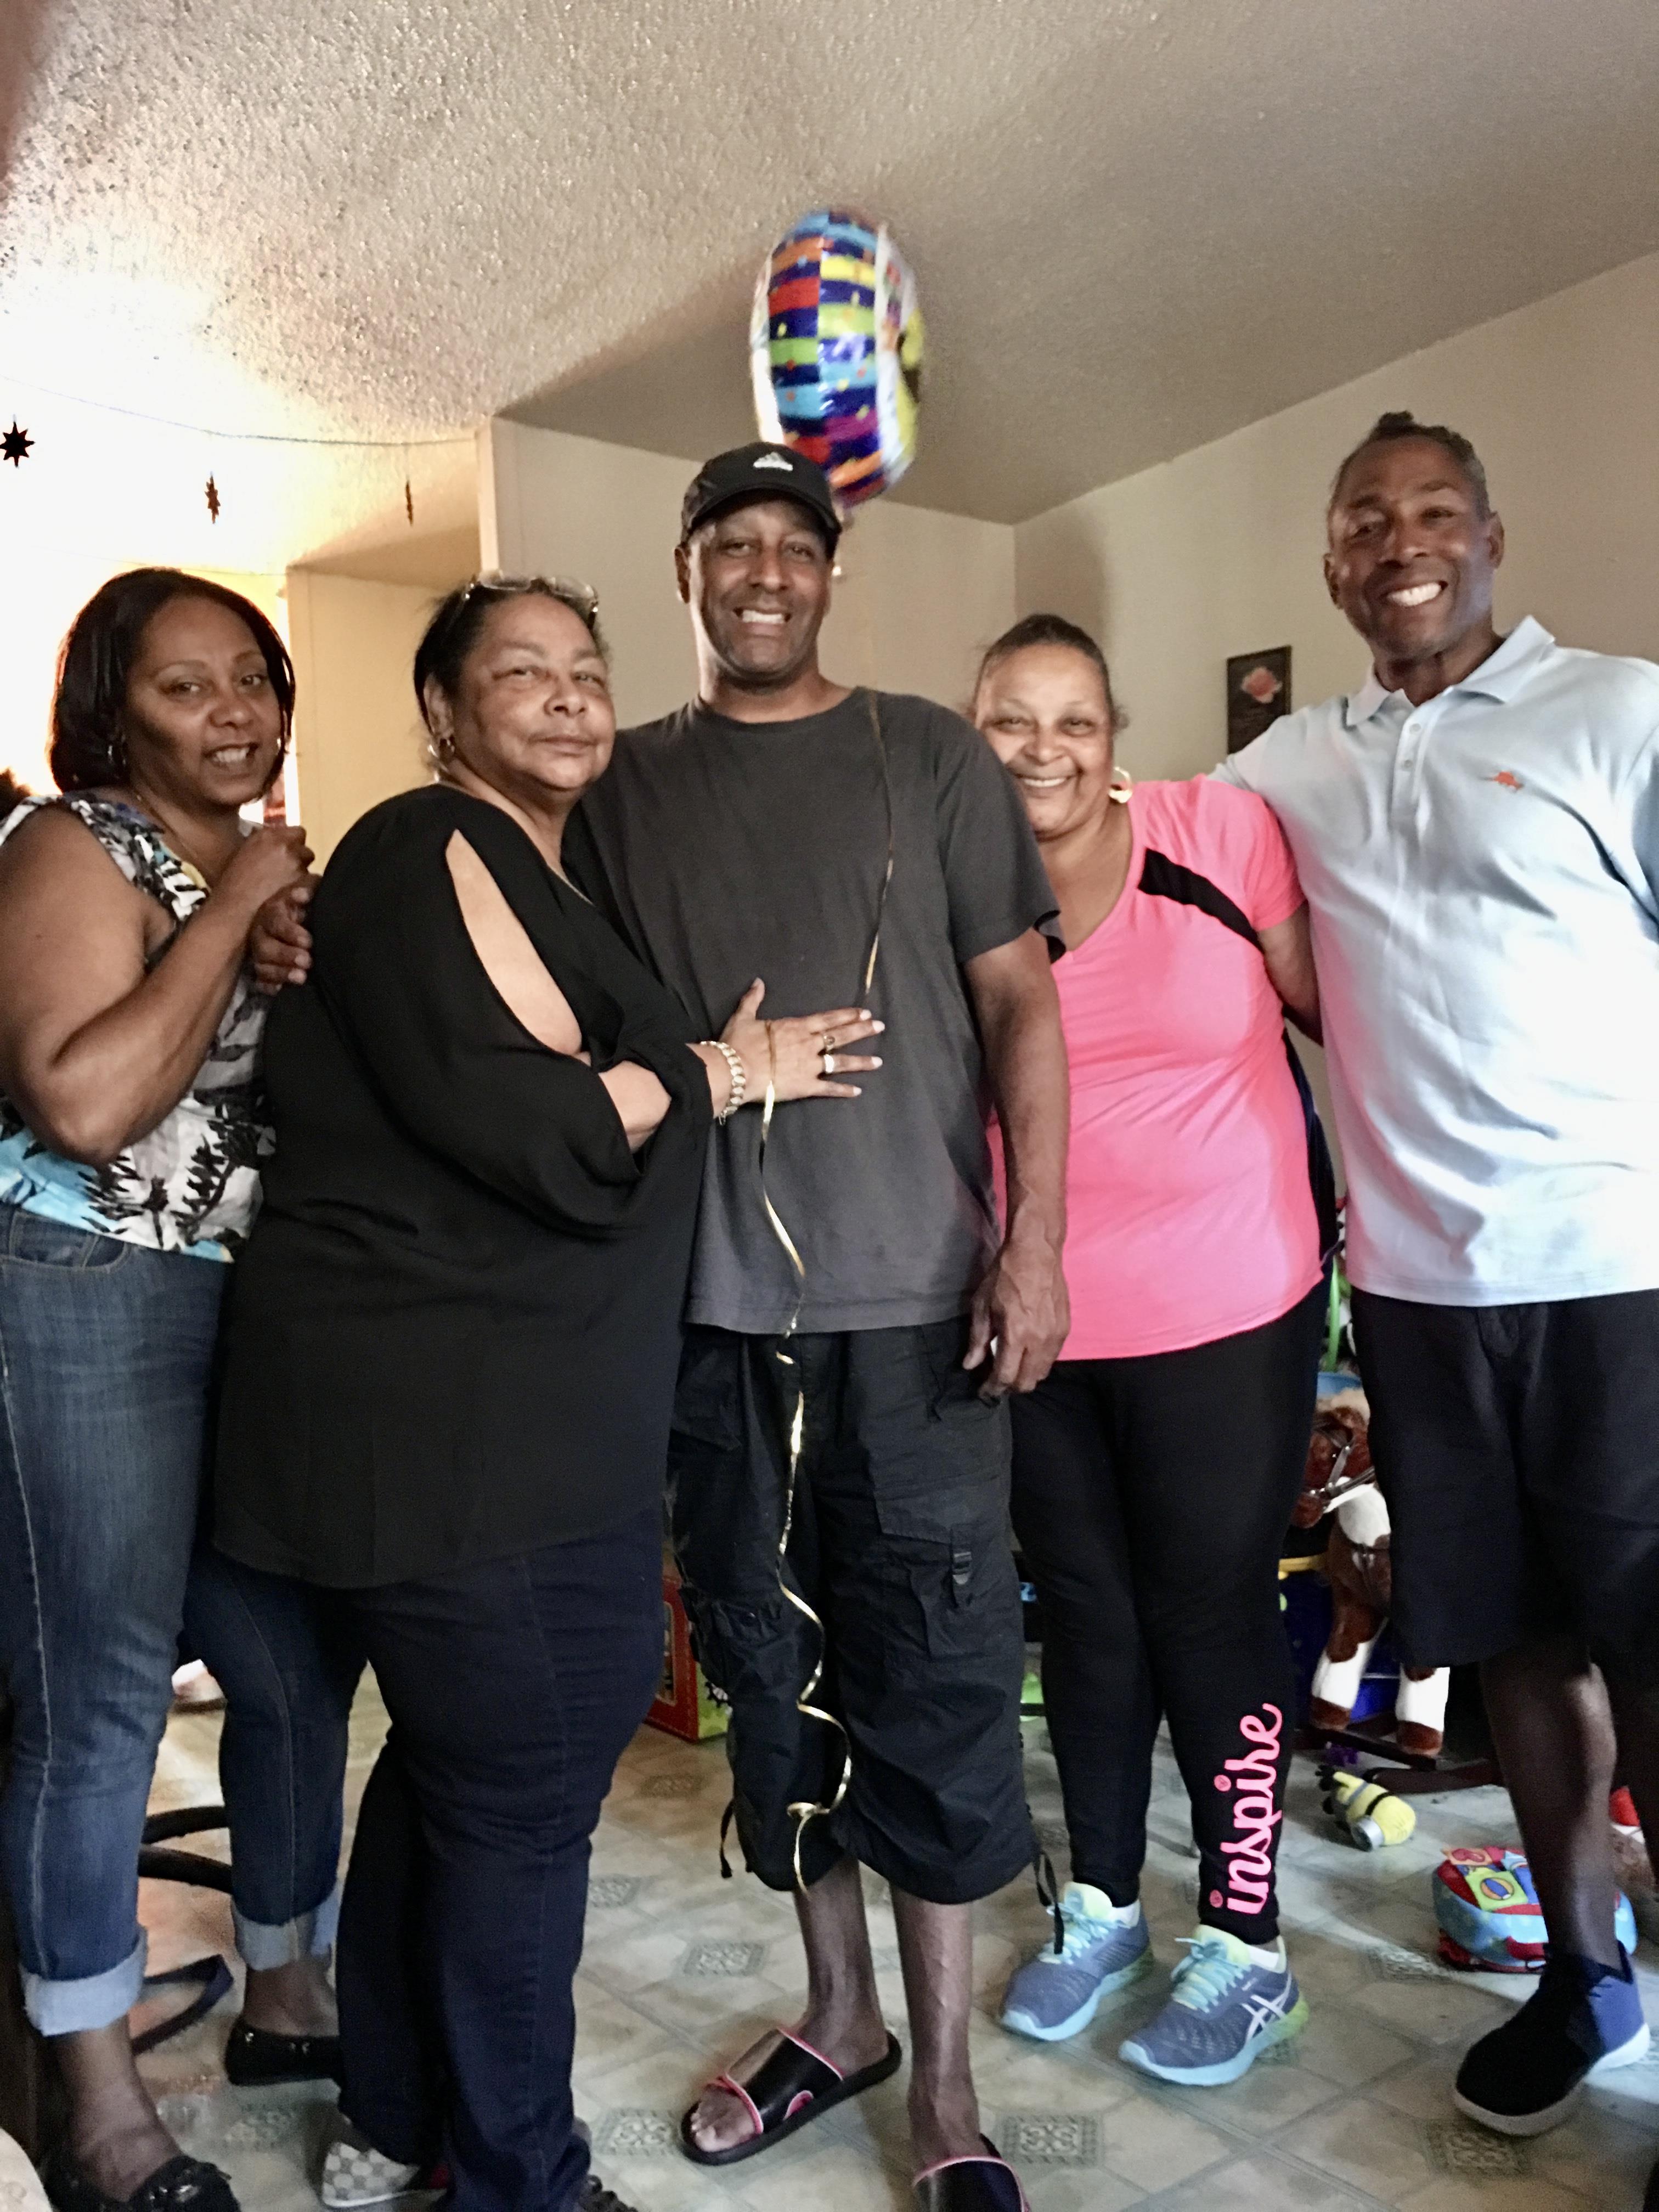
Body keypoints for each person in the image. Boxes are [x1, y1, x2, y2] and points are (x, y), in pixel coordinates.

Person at [255, 444, 1072, 2212]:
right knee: (771, 1698)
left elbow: (1023, 1003)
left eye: (798, 546)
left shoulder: (925, 752)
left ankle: (944, 2090)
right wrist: (299, 910)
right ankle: (829, 2022)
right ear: (689, 571)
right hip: (686, 1344)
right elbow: (473, 983)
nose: (766, 572)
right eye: (732, 546)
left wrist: (1036, 1247)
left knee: (928, 1692)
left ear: (829, 574)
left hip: (911, 1313)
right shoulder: (601, 792)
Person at [219, 574, 883, 2212]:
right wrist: (729, 1071)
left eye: (587, 670)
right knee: (523, 1796)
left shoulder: (524, 876)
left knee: (454, 1780)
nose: (569, 694)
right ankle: (521, 2180)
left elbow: (578, 1097)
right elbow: (552, 1134)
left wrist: (677, 1068)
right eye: (520, 671)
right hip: (478, 1447)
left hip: (480, 1431)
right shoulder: (427, 846)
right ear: (443, 710)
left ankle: (396, 2121)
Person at [1216, 410, 1659, 2156]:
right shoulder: (1291, 765)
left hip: (1619, 1270)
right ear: (1331, 562)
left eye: (1432, 509)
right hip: (1414, 1285)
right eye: (1363, 517)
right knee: (1515, 1651)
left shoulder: (1616, 711)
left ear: (1491, 536)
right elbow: (1132, 858)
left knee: (1654, 1650)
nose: (1399, 539)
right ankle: (1581, 1970)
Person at [0, 570, 357, 2212]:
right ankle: (94, 2096)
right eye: (184, 688)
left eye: (253, 680)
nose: (234, 713)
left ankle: (287, 1991)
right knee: (105, 1701)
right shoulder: (69, 846)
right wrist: (237, 909)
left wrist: (269, 921)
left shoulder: (253, 876)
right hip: (85, 1290)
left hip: (244, 1303)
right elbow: (79, 1102)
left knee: (286, 1663)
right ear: (111, 712)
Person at [968, 613, 1328, 2085]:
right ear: (968, 729)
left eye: (1076, 722)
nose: (1045, 750)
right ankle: (1104, 1906)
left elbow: (1333, 1010)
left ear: (1116, 738)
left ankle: (1245, 1942)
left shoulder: (1219, 832)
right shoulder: (947, 880)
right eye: (1012, 721)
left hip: (1230, 1305)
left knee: (1210, 1616)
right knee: (1091, 1621)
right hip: (1041, 1315)